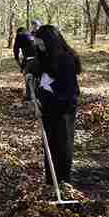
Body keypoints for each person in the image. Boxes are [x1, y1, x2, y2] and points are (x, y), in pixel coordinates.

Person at [30, 25, 81, 187]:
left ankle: (64, 184)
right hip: (48, 108)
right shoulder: (45, 55)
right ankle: (51, 183)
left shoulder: (66, 59)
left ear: (51, 42)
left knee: (62, 146)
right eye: (38, 45)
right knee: (49, 146)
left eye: (42, 44)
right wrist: (32, 75)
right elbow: (37, 70)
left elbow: (70, 92)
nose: (40, 48)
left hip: (63, 109)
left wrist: (48, 91)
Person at [13, 27, 37, 101]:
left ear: (19, 33)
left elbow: (15, 52)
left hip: (31, 59)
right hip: (39, 58)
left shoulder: (19, 37)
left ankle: (29, 96)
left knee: (28, 76)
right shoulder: (31, 35)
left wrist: (20, 66)